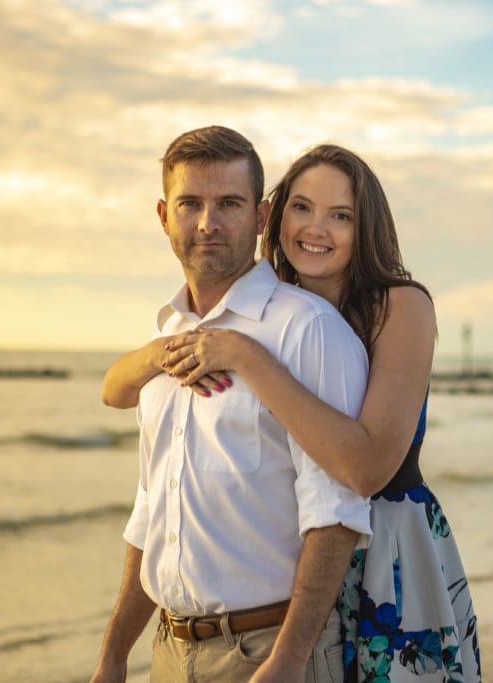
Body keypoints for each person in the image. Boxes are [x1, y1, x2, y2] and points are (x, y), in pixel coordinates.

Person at [102, 144, 481, 680]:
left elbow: (364, 470)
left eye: (341, 215)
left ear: (364, 227)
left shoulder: (396, 307)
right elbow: (116, 393)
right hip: (305, 567)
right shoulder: (265, 308)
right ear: (274, 220)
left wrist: (246, 356)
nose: (316, 228)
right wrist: (160, 352)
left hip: (388, 550)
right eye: (301, 208)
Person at [90, 126, 373, 683]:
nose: (207, 223)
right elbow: (152, 508)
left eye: (229, 204)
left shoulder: (307, 329)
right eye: (190, 203)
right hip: (168, 652)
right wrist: (114, 655)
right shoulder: (166, 341)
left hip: (268, 653)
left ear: (262, 217)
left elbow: (335, 511)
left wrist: (287, 661)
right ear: (162, 214)